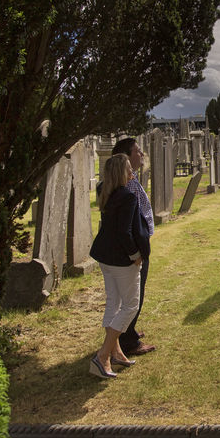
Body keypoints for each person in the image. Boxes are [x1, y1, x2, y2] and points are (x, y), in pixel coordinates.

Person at [88, 153, 145, 378]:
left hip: (104, 255)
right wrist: (135, 254)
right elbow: (124, 231)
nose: (133, 172)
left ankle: (116, 352)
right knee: (130, 305)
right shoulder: (128, 197)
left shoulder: (104, 191)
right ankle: (102, 356)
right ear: (122, 172)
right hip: (122, 258)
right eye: (129, 169)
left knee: (113, 301)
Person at [112, 137, 157, 356]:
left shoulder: (130, 179)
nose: (142, 154)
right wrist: (137, 251)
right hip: (135, 248)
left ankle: (128, 332)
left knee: (134, 293)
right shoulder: (127, 186)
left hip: (139, 242)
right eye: (137, 151)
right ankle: (128, 341)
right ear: (127, 157)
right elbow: (128, 224)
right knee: (133, 295)